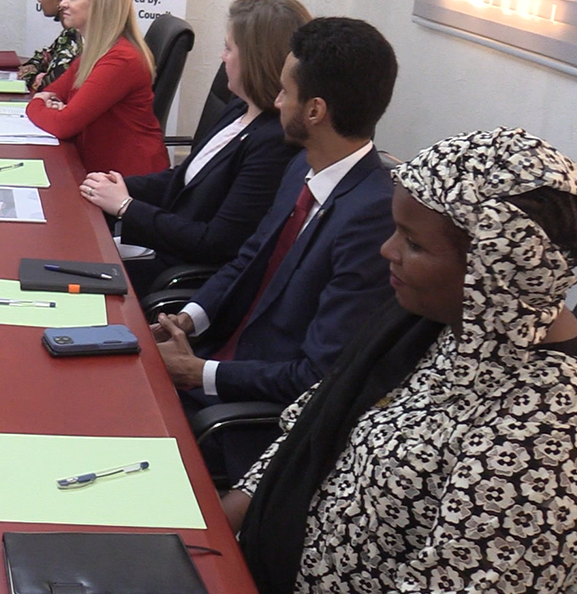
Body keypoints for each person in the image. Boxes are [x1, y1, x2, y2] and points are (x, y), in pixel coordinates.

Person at [225, 128, 577, 594]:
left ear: (492, 269)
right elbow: (308, 427)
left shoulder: (543, 432)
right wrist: (215, 528)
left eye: (413, 243)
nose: (387, 250)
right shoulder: (432, 324)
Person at [152, 17, 398, 481]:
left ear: (315, 110)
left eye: (285, 91)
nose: (277, 101)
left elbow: (319, 374)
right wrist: (187, 318)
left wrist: (199, 372)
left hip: (245, 422)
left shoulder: (372, 219)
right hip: (215, 364)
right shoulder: (301, 168)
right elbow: (249, 259)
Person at [81, 0, 308, 296]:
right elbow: (183, 178)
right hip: (161, 244)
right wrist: (114, 186)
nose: (222, 57)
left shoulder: (273, 143)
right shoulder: (239, 108)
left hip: (176, 272)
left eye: (229, 48)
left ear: (256, 60)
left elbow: (215, 243)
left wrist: (126, 206)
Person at [25, 0, 168, 177]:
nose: (63, 3)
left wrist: (36, 105)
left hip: (129, 181)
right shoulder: (97, 50)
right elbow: (53, 91)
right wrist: (52, 106)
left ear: (101, 4)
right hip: (99, 172)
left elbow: (64, 124)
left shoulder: (121, 59)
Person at [19, 0, 80, 92]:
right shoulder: (69, 33)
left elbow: (48, 86)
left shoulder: (75, 35)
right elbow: (44, 56)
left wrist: (29, 76)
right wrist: (34, 68)